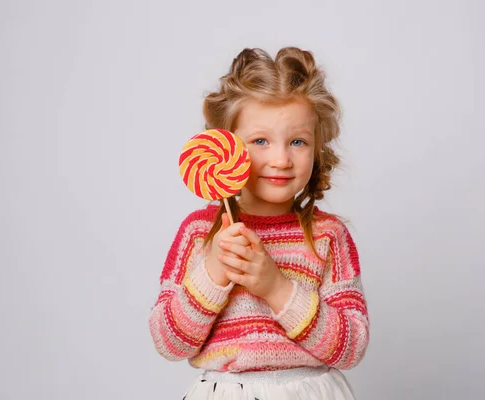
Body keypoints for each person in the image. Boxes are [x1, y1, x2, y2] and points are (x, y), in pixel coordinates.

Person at [149, 47, 369, 400]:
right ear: (226, 146)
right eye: (260, 141)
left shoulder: (328, 236)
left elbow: (351, 347)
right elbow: (169, 341)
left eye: (298, 141)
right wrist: (214, 269)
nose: (281, 159)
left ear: (318, 149)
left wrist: (276, 288)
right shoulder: (200, 233)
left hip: (310, 391)